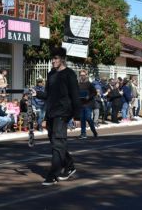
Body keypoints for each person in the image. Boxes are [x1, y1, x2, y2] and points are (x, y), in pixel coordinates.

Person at [32, 47, 81, 186]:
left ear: (63, 59)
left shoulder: (70, 74)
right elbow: (48, 94)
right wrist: (37, 94)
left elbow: (75, 96)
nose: (53, 61)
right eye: (52, 58)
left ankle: (53, 175)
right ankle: (69, 165)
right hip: (51, 112)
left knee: (58, 143)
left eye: (56, 58)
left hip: (63, 113)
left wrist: (77, 116)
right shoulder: (51, 74)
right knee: (55, 143)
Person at [78, 69, 98, 139]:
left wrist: (88, 96)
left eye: (83, 75)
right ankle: (83, 133)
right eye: (81, 75)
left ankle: (93, 130)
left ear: (86, 75)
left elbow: (95, 92)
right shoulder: (78, 84)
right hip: (81, 103)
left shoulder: (89, 84)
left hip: (88, 103)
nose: (82, 76)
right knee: (82, 119)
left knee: (88, 118)